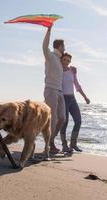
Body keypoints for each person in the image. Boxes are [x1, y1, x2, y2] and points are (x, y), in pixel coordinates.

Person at [60, 52, 90, 153]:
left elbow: (77, 85)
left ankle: (73, 144)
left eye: (68, 61)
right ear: (61, 59)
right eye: (64, 60)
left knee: (78, 121)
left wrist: (85, 97)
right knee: (64, 122)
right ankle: (64, 145)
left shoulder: (72, 71)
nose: (66, 62)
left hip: (72, 98)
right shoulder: (58, 71)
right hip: (63, 99)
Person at [42, 25, 66, 154]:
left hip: (59, 92)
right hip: (50, 90)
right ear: (58, 46)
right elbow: (44, 46)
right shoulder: (50, 56)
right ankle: (49, 143)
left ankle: (51, 140)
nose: (65, 48)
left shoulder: (59, 61)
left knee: (62, 118)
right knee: (53, 119)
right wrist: (49, 31)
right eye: (63, 46)